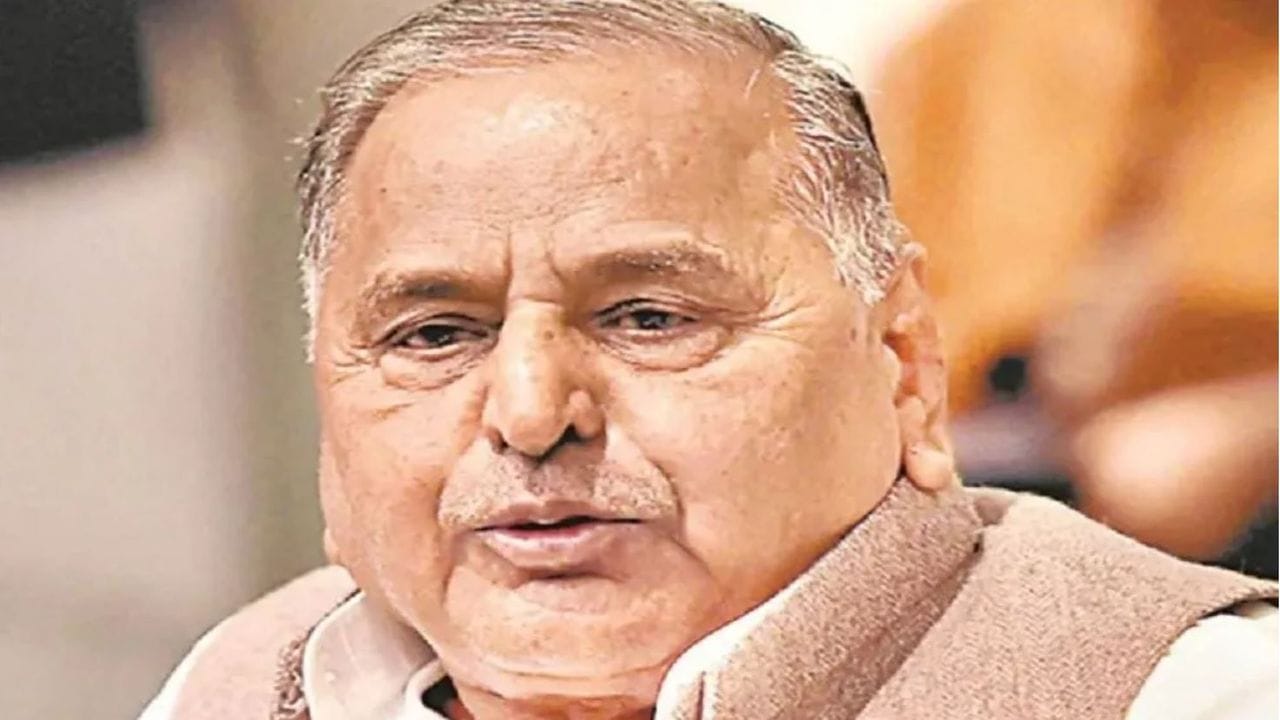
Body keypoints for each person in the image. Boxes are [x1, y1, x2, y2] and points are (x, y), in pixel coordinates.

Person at [141, 2, 1277, 718]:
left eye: (648, 318)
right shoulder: (239, 683)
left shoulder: (1181, 697)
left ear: (902, 365)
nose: (530, 412)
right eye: (434, 334)